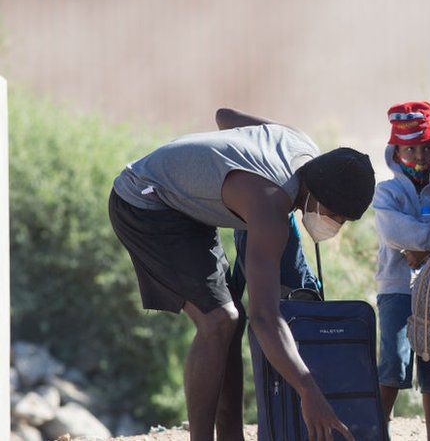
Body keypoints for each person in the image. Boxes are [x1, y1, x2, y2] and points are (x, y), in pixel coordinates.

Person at [108, 108, 374, 441]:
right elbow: (267, 317)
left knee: (232, 323)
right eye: (335, 214)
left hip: (184, 206)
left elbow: (224, 117)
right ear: (317, 193)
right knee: (218, 320)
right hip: (144, 200)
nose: (336, 224)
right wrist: (309, 390)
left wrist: (218, 166)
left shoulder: (300, 145)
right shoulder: (269, 206)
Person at [372, 101, 430, 441]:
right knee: (392, 364)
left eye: (426, 148)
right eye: (410, 149)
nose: (420, 156)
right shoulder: (386, 193)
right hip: (396, 290)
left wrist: (423, 248)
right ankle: (379, 431)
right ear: (396, 153)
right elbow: (394, 231)